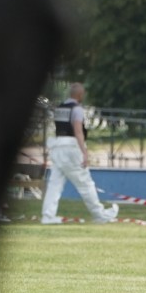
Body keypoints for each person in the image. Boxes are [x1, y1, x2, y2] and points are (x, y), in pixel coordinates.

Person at [41, 83, 119, 224]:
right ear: (80, 95)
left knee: (54, 184)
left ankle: (47, 216)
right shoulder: (77, 109)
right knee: (85, 183)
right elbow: (78, 131)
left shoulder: (60, 108)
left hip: (57, 146)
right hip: (71, 147)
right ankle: (99, 215)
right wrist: (84, 152)